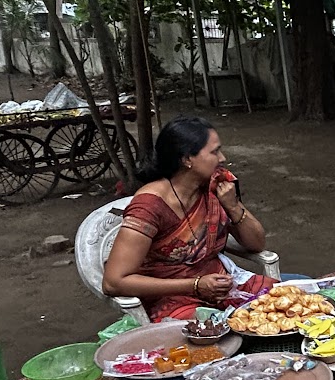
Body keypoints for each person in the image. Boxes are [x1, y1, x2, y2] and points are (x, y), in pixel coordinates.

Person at [102, 116, 269, 321]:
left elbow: (257, 244)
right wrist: (196, 285)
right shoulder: (150, 206)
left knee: (286, 307)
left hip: (221, 285)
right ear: (187, 159)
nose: (222, 158)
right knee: (218, 334)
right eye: (214, 152)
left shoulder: (213, 187)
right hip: (170, 296)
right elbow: (113, 282)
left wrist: (233, 206)